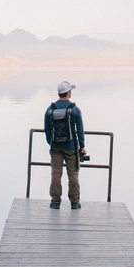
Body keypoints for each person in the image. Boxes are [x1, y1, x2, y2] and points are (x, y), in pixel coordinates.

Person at [44, 80, 86, 209]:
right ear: (68, 92)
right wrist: (82, 146)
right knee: (73, 174)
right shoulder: (74, 109)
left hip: (55, 146)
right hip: (71, 147)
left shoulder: (50, 109)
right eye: (70, 90)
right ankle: (74, 202)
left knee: (56, 173)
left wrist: (51, 142)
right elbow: (79, 130)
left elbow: (47, 130)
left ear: (59, 93)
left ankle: (55, 201)